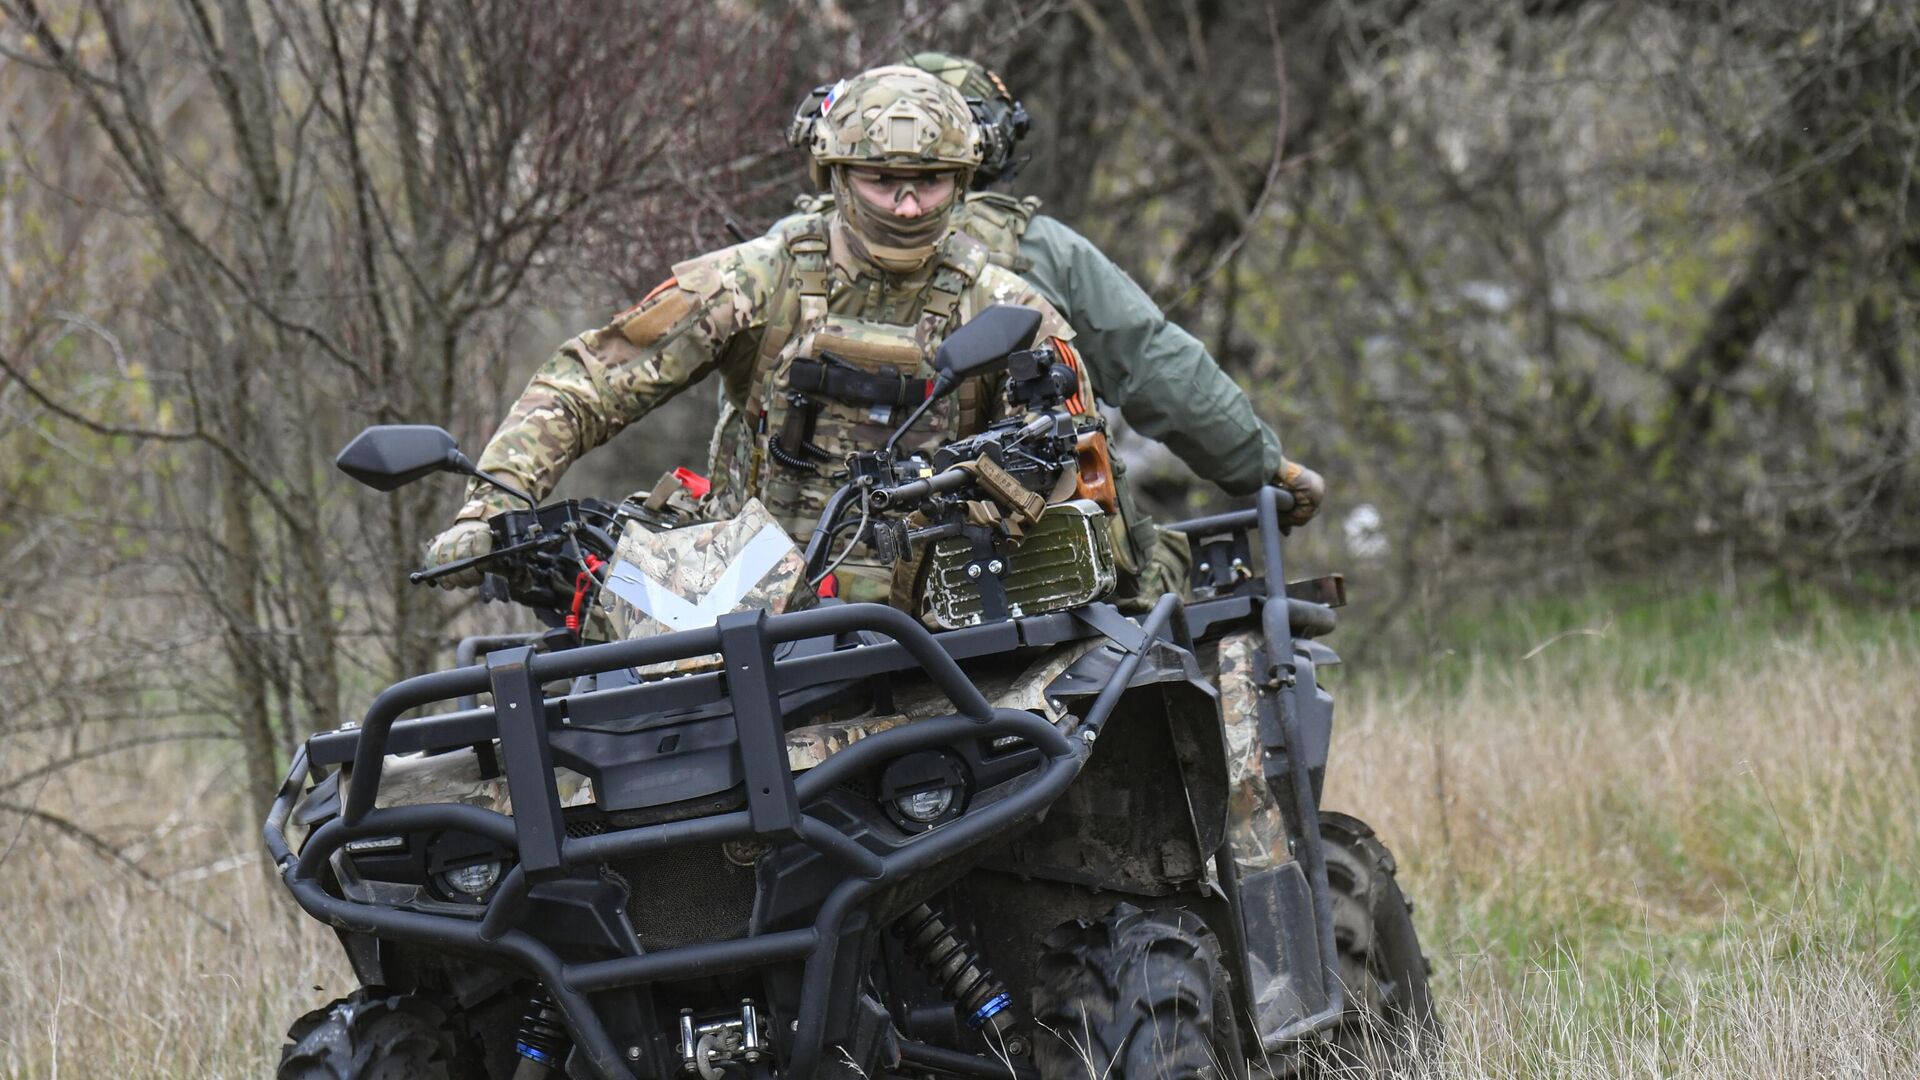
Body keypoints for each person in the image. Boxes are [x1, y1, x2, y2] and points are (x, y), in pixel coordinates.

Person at [424, 65, 1078, 603]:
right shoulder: (760, 280)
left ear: (963, 181)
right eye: (883, 182)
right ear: (839, 176)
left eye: (929, 183)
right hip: (742, 593)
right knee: (585, 611)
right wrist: (488, 508)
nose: (907, 207)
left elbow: (1070, 461)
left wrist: (1000, 489)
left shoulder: (1009, 309)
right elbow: (589, 383)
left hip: (937, 607)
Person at [768, 53, 1323, 596]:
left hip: (794, 566)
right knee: (1168, 572)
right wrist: (1264, 469)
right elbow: (1154, 366)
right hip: (992, 577)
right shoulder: (1037, 250)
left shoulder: (793, 249)